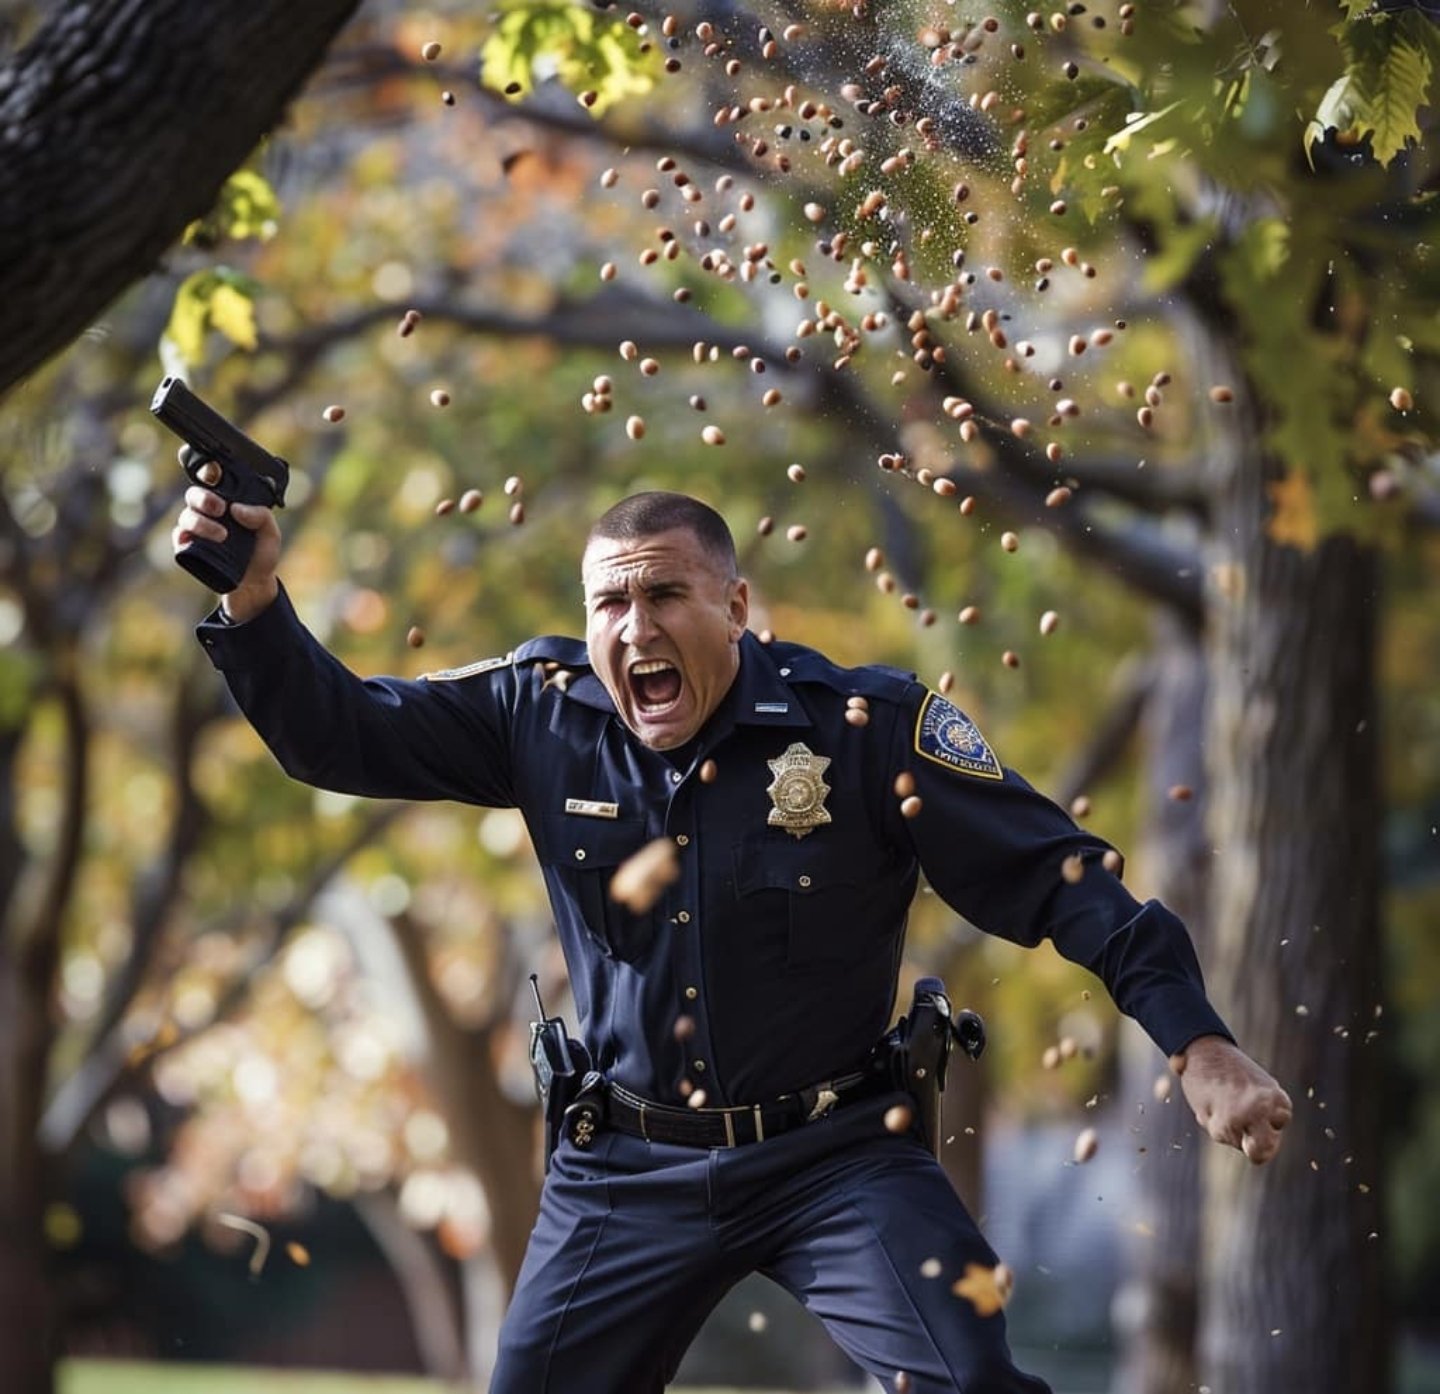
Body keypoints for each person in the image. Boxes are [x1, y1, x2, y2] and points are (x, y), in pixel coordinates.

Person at [174, 485, 1292, 1393]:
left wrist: (1196, 1042)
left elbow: (1061, 876)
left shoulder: (866, 727)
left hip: (837, 1155)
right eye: (610, 604)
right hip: (623, 1167)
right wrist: (261, 596)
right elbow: (343, 734)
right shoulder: (539, 712)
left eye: (666, 594)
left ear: (738, 604)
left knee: (969, 1382)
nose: (634, 628)